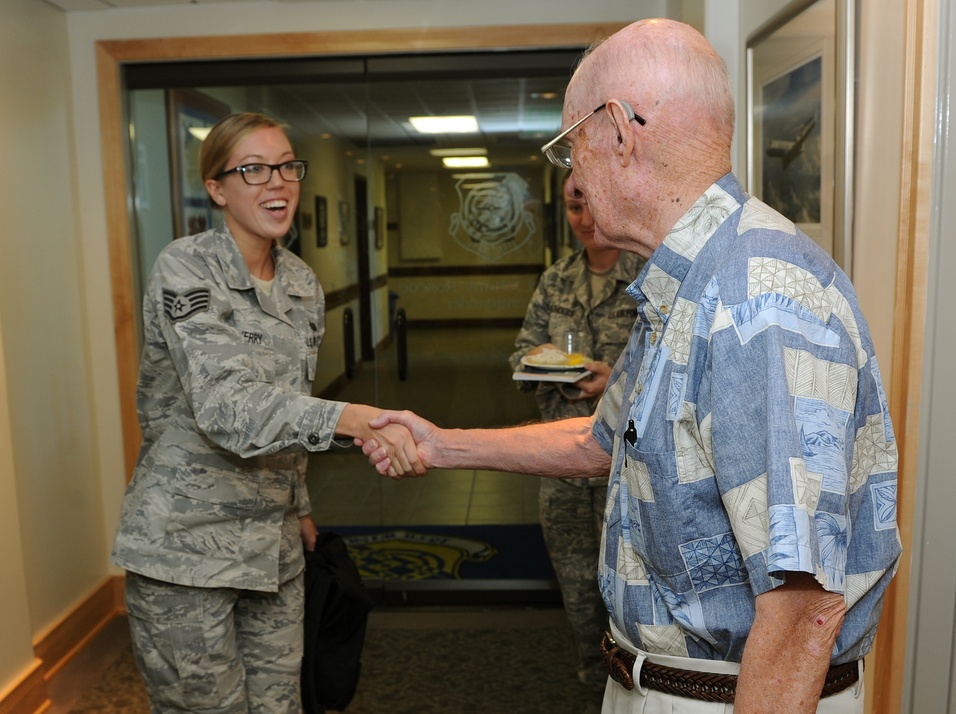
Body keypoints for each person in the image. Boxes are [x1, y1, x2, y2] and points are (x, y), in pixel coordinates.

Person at [360, 19, 901, 713]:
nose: (574, 174)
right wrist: (441, 444)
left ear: (618, 131)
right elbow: (602, 441)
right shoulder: (684, 284)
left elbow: (801, 608)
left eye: (570, 147)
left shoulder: (756, 298)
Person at [111, 112, 420, 713]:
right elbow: (227, 408)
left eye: (285, 166)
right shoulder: (186, 269)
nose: (275, 182)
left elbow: (290, 404)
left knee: (283, 705)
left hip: (274, 547)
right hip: (187, 552)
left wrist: (300, 505)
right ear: (217, 188)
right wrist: (352, 418)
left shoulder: (302, 283)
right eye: (252, 169)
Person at [510, 170, 643, 702]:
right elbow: (519, 353)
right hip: (563, 466)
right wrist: (548, 370)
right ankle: (593, 686)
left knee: (630, 596)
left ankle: (631, 694)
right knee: (579, 594)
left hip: (626, 473)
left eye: (590, 203)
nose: (584, 219)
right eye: (572, 207)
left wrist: (615, 379)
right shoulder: (555, 280)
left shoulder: (647, 275)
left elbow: (675, 370)